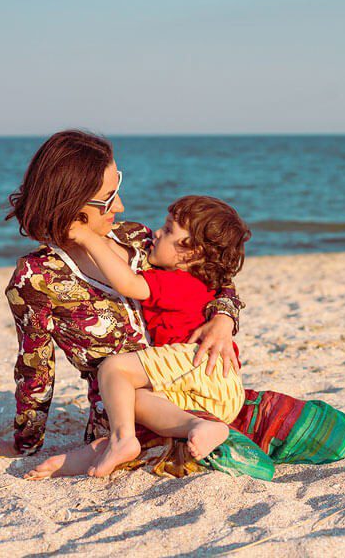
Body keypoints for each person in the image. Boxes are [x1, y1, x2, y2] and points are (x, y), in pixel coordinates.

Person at [0, 130, 345, 478]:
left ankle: (173, 439)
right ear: (75, 203)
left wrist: (224, 318)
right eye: (109, 197)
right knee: (217, 446)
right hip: (129, 408)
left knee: (318, 430)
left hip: (191, 381)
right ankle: (126, 446)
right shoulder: (35, 280)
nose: (121, 206)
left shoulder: (137, 239)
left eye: (119, 187)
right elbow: (35, 369)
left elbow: (207, 276)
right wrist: (25, 443)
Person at [52, 195, 256, 478]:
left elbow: (127, 283)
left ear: (191, 254)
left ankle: (123, 440)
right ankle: (193, 427)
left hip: (201, 364)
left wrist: (88, 238)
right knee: (129, 398)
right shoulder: (200, 280)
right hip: (206, 389)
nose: (156, 233)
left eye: (169, 230)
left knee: (113, 369)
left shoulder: (181, 282)